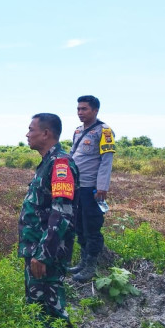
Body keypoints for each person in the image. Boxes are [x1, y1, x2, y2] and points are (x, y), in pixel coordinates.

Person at [18, 113, 79, 328]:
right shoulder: (47, 163)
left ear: (46, 133)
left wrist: (43, 254)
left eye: (31, 129)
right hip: (37, 250)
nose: (27, 134)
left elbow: (62, 212)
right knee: (37, 309)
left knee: (53, 312)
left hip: (47, 253)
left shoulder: (60, 164)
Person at [68, 95, 115, 282]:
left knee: (92, 227)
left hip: (92, 189)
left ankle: (91, 266)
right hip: (76, 188)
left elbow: (106, 161)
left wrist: (102, 187)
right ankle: (82, 261)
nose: (80, 112)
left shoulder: (104, 131)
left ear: (95, 110)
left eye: (84, 109)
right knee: (78, 225)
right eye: (78, 109)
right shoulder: (78, 131)